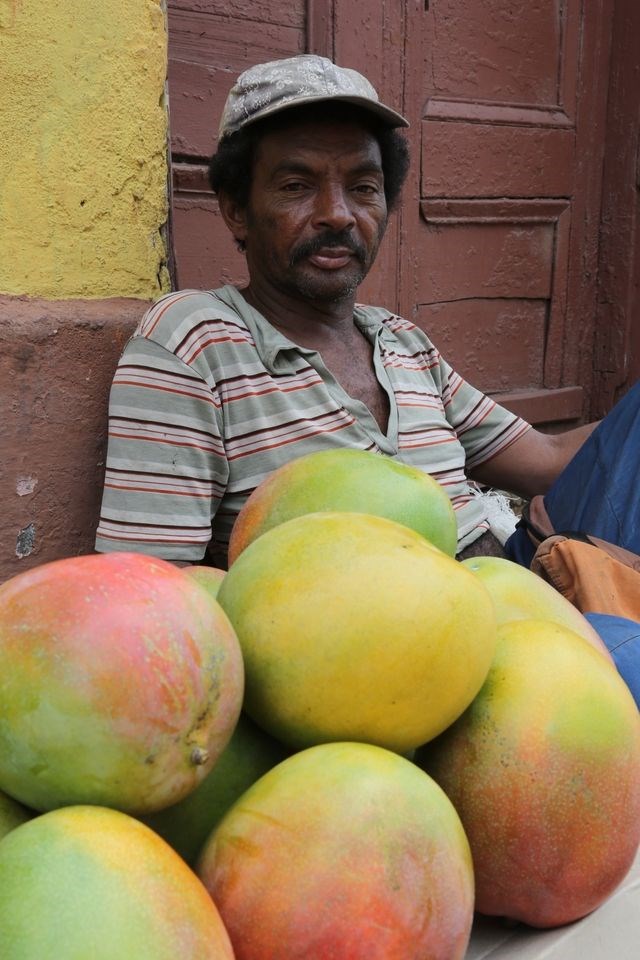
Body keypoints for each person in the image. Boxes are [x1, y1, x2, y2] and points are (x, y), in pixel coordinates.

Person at [95, 54, 605, 570]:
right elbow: (152, 585)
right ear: (236, 209)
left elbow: (548, 461)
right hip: (365, 619)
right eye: (296, 186)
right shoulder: (194, 342)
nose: (338, 215)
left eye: (363, 188)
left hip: (511, 594)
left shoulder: (402, 341)